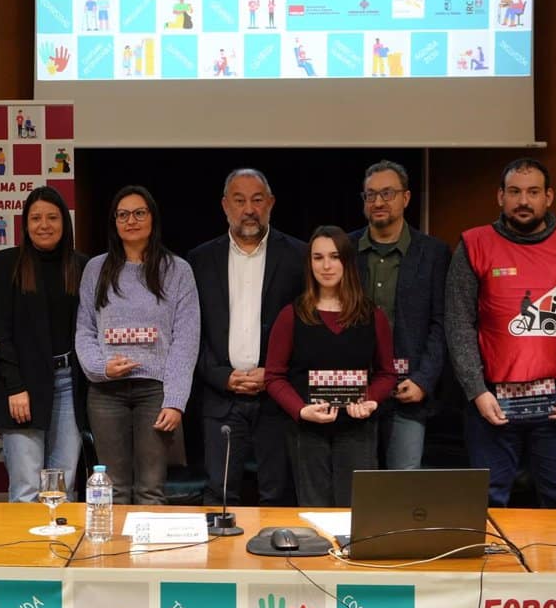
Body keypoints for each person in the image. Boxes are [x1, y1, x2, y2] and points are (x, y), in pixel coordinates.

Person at [445, 158, 556, 508]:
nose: (524, 201)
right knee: (486, 505)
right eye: (515, 192)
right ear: (500, 197)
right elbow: (458, 322)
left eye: (533, 192)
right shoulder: (473, 244)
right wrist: (476, 391)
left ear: (549, 196)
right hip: (491, 403)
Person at [75, 185, 200, 504]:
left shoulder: (177, 270)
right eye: (123, 214)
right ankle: (114, 555)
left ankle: (148, 555)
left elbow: (186, 339)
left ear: (152, 219)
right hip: (106, 393)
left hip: (154, 393)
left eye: (139, 213)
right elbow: (85, 329)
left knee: (150, 489)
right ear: (114, 222)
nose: (131, 220)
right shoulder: (96, 269)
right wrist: (101, 368)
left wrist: (175, 400)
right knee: (112, 489)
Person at [189, 169, 306, 507]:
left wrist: (272, 374)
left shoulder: (298, 256)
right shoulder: (200, 260)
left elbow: (308, 327)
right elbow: (190, 334)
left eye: (257, 200)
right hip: (220, 395)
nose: (249, 209)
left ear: (270, 204)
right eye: (239, 201)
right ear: (225, 206)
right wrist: (222, 376)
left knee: (278, 494)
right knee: (219, 495)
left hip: (277, 398)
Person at [265, 227, 395, 507]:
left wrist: (370, 401)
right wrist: (300, 410)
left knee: (356, 512)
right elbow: (274, 376)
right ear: (309, 263)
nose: (326, 266)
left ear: (347, 261)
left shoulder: (373, 316)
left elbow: (386, 374)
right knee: (315, 513)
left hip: (357, 428)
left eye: (334, 257)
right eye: (318, 257)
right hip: (308, 430)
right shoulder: (292, 315)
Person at [0, 187, 87, 502]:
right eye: (36, 218)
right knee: (27, 487)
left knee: (64, 486)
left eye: (52, 217)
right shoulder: (6, 263)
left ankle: (60, 550)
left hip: (69, 383)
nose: (44, 225)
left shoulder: (81, 265)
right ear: (25, 225)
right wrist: (15, 386)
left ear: (64, 223)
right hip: (22, 387)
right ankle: (26, 553)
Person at [349, 160, 450, 470]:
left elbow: (442, 323)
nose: (378, 202)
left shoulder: (434, 253)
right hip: (355, 392)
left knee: (402, 489)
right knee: (355, 489)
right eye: (370, 195)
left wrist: (424, 380)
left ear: (406, 198)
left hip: (409, 390)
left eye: (387, 193)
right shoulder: (344, 250)